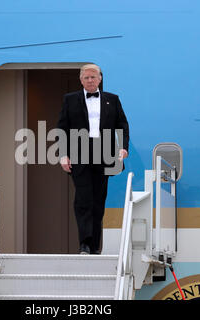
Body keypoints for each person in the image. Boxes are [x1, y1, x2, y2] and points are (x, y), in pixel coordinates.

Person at [57, 64, 129, 254]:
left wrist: (123, 147)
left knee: (98, 200)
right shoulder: (70, 99)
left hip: (104, 153)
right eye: (86, 77)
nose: (90, 80)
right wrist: (63, 154)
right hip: (79, 154)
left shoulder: (112, 100)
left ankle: (95, 246)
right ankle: (85, 244)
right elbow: (62, 128)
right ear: (81, 80)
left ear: (100, 79)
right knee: (83, 199)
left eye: (93, 77)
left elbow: (121, 124)